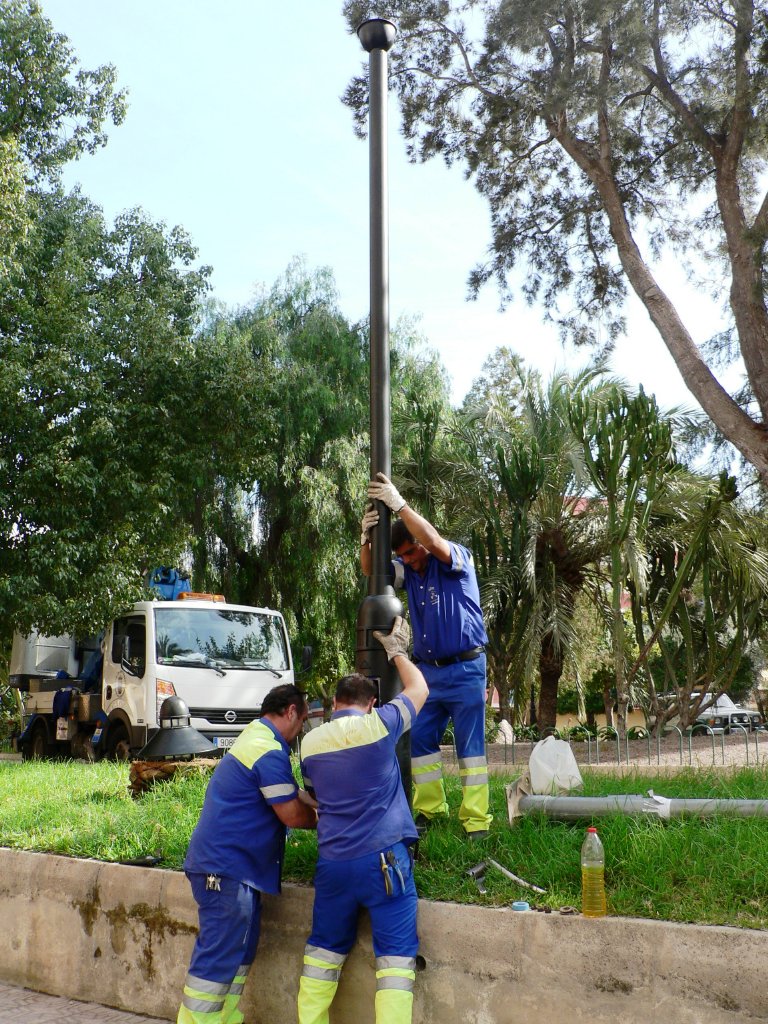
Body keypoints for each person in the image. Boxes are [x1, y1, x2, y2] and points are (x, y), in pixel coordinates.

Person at [297, 616, 428, 1024]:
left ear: (335, 704)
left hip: (333, 865)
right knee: (395, 962)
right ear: (371, 703)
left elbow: (315, 797)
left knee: (322, 954)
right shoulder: (380, 726)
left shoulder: (309, 743)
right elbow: (420, 689)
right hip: (384, 864)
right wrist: (397, 652)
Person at [361, 472, 492, 840]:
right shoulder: (412, 572)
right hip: (428, 673)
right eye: (401, 556)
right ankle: (431, 809)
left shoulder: (454, 559)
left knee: (470, 749)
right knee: (419, 738)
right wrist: (367, 539)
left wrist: (399, 505)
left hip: (466, 668)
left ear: (420, 543)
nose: (408, 560)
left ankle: (476, 821)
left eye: (411, 551)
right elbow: (373, 572)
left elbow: (433, 541)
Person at [177, 684, 318, 1024]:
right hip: (226, 869)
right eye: (302, 721)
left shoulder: (258, 739)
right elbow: (290, 813)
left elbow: (288, 791)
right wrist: (326, 820)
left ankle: (226, 1018)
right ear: (291, 712)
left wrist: (320, 802)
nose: (301, 730)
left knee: (239, 953)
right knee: (218, 959)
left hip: (234, 869)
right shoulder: (267, 749)